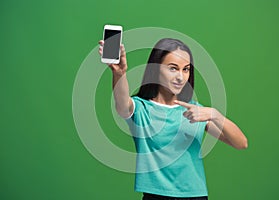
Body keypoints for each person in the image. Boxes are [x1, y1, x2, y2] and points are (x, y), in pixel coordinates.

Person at [98, 38, 248, 200]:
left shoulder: (195, 111)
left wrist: (214, 114)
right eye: (173, 68)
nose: (181, 77)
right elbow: (122, 104)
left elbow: (241, 143)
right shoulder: (141, 109)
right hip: (156, 196)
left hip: (196, 196)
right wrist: (119, 73)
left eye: (186, 69)